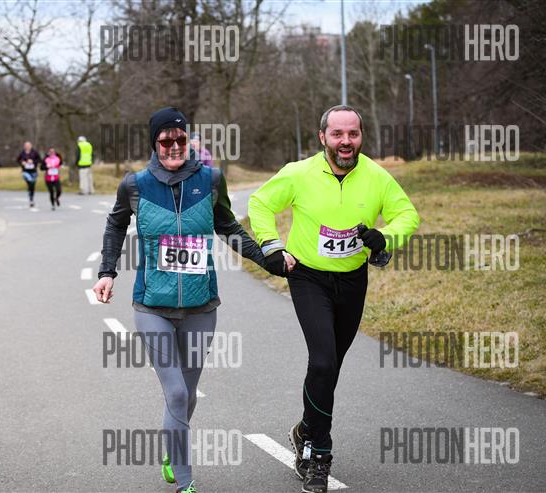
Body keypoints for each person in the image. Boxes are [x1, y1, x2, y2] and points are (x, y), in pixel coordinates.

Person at [92, 107, 267, 493]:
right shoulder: (135, 185)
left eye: (180, 139)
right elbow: (115, 224)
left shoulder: (211, 180)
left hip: (201, 307)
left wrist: (268, 261)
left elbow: (228, 227)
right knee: (174, 391)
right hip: (152, 306)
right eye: (165, 140)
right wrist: (107, 272)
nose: (173, 146)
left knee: (186, 395)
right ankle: (185, 482)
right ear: (154, 143)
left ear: (189, 141)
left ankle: (172, 449)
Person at [248, 105, 420, 493]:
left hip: (352, 281)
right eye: (338, 134)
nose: (346, 141)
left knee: (331, 368)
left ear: (361, 137)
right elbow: (259, 203)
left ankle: (305, 430)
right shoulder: (299, 173)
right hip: (308, 278)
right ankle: (318, 456)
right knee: (323, 360)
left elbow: (407, 215)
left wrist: (385, 238)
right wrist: (271, 246)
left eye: (353, 134)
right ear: (322, 137)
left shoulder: (376, 176)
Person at [16, 141, 41, 208]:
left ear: (31, 146)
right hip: (25, 171)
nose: (27, 147)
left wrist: (33, 161)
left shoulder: (35, 152)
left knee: (33, 185)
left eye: (28, 145)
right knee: (30, 182)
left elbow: (39, 160)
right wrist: (22, 162)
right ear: (24, 146)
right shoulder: (22, 153)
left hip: (33, 171)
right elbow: (18, 160)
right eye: (26, 145)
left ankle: (31, 198)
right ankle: (30, 196)